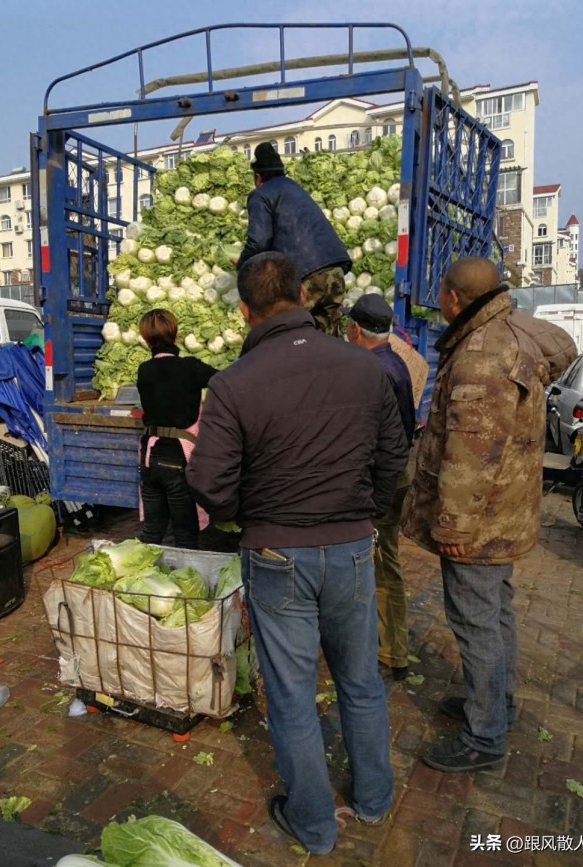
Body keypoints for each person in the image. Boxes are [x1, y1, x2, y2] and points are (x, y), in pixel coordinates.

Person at [186, 252, 409, 854]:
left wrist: (249, 514)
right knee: (360, 681)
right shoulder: (364, 367)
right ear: (304, 297)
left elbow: (209, 483)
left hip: (276, 552)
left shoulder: (232, 383)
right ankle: (374, 800)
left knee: (292, 695)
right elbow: (394, 456)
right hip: (351, 547)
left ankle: (313, 825)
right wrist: (362, 512)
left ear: (244, 311)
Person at [401, 256, 577, 772]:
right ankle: (497, 704)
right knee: (495, 614)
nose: (438, 299)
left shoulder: (482, 356)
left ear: (454, 298)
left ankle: (484, 736)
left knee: (475, 622)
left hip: (478, 522)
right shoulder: (513, 330)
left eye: (440, 292)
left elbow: (470, 455)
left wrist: (453, 526)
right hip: (503, 513)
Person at [345, 294, 416, 681]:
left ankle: (391, 653)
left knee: (384, 565)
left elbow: (382, 440)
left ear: (356, 329)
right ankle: (382, 644)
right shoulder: (393, 362)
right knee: (378, 561)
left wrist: (376, 496)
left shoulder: (374, 371)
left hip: (384, 478)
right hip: (393, 474)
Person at [235, 141, 351, 336]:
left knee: (287, 334)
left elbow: (259, 241)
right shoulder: (294, 187)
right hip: (335, 269)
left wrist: (242, 266)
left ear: (258, 177)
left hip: (308, 277)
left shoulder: (260, 194)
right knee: (330, 337)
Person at [136, 309, 217, 548]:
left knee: (152, 531)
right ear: (176, 334)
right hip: (177, 459)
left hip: (150, 458)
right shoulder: (190, 368)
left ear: (146, 340)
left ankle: (138, 570)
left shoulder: (144, 370)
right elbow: (226, 382)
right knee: (185, 534)